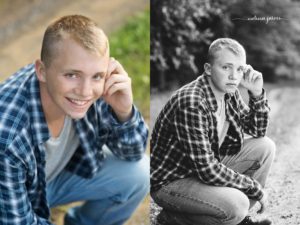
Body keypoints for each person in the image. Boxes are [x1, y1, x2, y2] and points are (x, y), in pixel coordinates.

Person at [0, 15, 149, 225]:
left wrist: (123, 111)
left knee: (139, 173)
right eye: (72, 75)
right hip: (8, 200)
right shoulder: (7, 136)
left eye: (97, 76)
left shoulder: (96, 89)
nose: (85, 91)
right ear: (41, 71)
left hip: (50, 182)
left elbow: (132, 152)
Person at [151, 38, 276, 225]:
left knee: (265, 146)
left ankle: (238, 219)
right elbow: (207, 170)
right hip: (171, 182)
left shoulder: (229, 92)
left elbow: (257, 130)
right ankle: (174, 218)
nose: (234, 76)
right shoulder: (192, 103)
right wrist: (254, 188)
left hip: (200, 170)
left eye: (239, 69)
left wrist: (257, 94)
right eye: (226, 67)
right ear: (208, 69)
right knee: (238, 204)